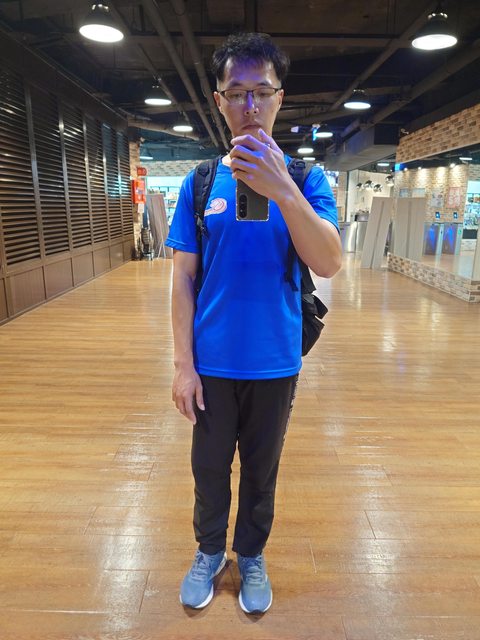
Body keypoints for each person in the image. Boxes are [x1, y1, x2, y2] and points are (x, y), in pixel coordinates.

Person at [165, 32, 341, 614]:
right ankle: (209, 551)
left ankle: (252, 554)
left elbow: (329, 262)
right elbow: (182, 280)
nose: (249, 105)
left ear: (278, 98)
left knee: (261, 473)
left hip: (275, 361)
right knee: (209, 469)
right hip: (212, 363)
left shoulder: (307, 180)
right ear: (218, 101)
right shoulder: (197, 184)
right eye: (236, 92)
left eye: (260, 92)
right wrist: (183, 366)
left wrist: (282, 188)